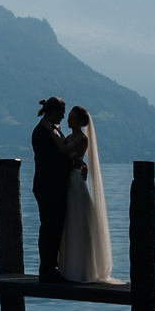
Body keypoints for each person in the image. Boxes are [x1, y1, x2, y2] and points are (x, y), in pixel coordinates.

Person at [56, 105, 116, 284]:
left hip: (75, 181)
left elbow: (64, 151)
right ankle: (69, 267)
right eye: (69, 117)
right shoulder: (68, 137)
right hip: (68, 179)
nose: (69, 120)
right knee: (70, 221)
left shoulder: (82, 139)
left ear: (81, 122)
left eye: (73, 118)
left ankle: (81, 268)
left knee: (78, 220)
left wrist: (51, 132)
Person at [29, 97, 77, 282]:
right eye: (62, 112)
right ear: (53, 111)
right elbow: (52, 159)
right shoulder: (42, 132)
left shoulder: (52, 130)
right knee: (49, 228)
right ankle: (47, 269)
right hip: (48, 186)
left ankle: (51, 267)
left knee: (54, 228)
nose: (64, 116)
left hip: (53, 186)